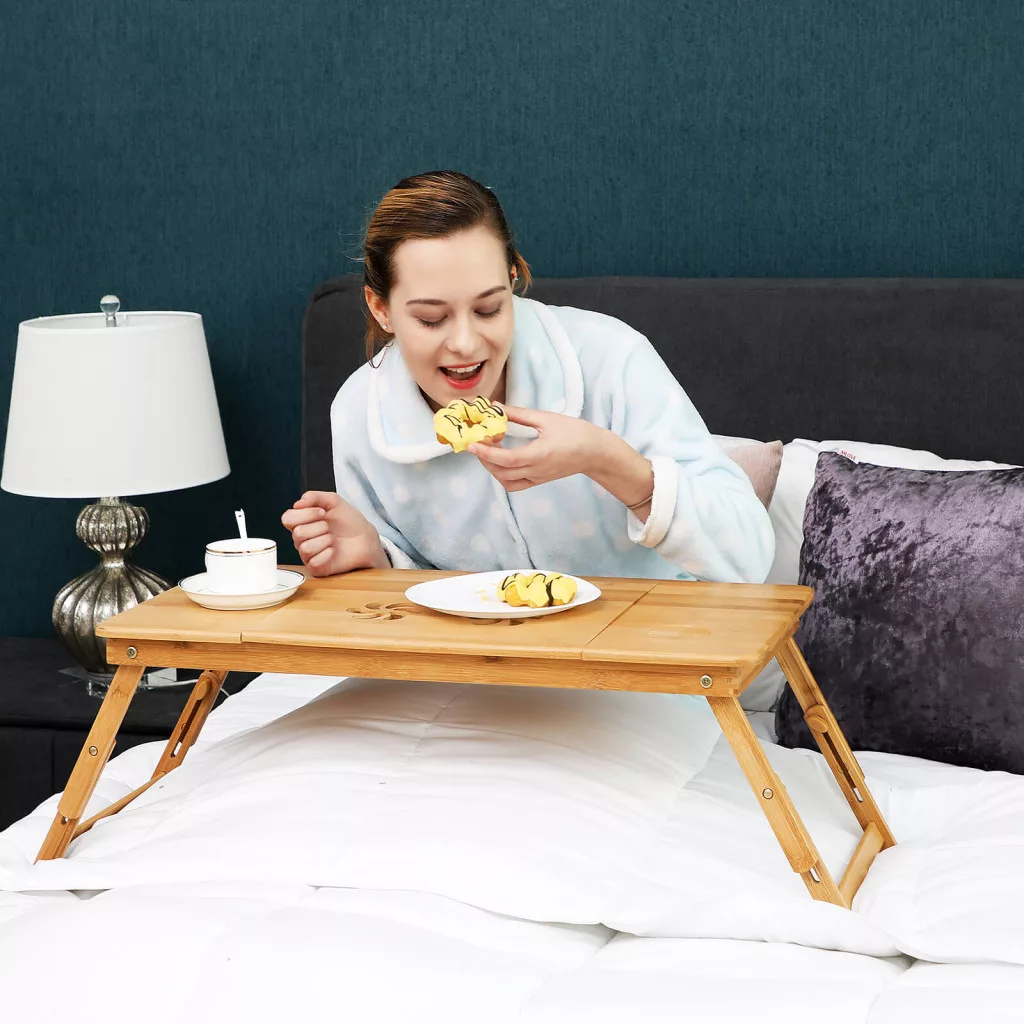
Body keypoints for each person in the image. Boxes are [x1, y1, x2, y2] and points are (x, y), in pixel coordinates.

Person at [282, 170, 774, 585]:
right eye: (431, 318)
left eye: (490, 308)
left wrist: (605, 459)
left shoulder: (609, 357)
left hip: (653, 656)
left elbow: (749, 557)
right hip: (480, 665)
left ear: (513, 278)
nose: (466, 344)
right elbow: (410, 607)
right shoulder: (361, 412)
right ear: (380, 308)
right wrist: (377, 556)